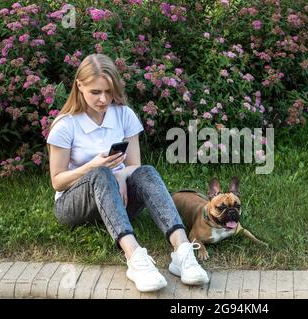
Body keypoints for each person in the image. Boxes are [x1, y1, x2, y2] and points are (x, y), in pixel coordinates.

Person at [46, 53, 209, 292]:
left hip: (118, 199)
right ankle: (135, 259)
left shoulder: (124, 114)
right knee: (101, 172)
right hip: (75, 205)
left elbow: (134, 165)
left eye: (109, 92)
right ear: (79, 86)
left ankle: (182, 252)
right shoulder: (65, 125)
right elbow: (57, 182)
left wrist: (121, 175)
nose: (103, 99)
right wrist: (93, 166)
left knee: (146, 171)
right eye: (95, 92)